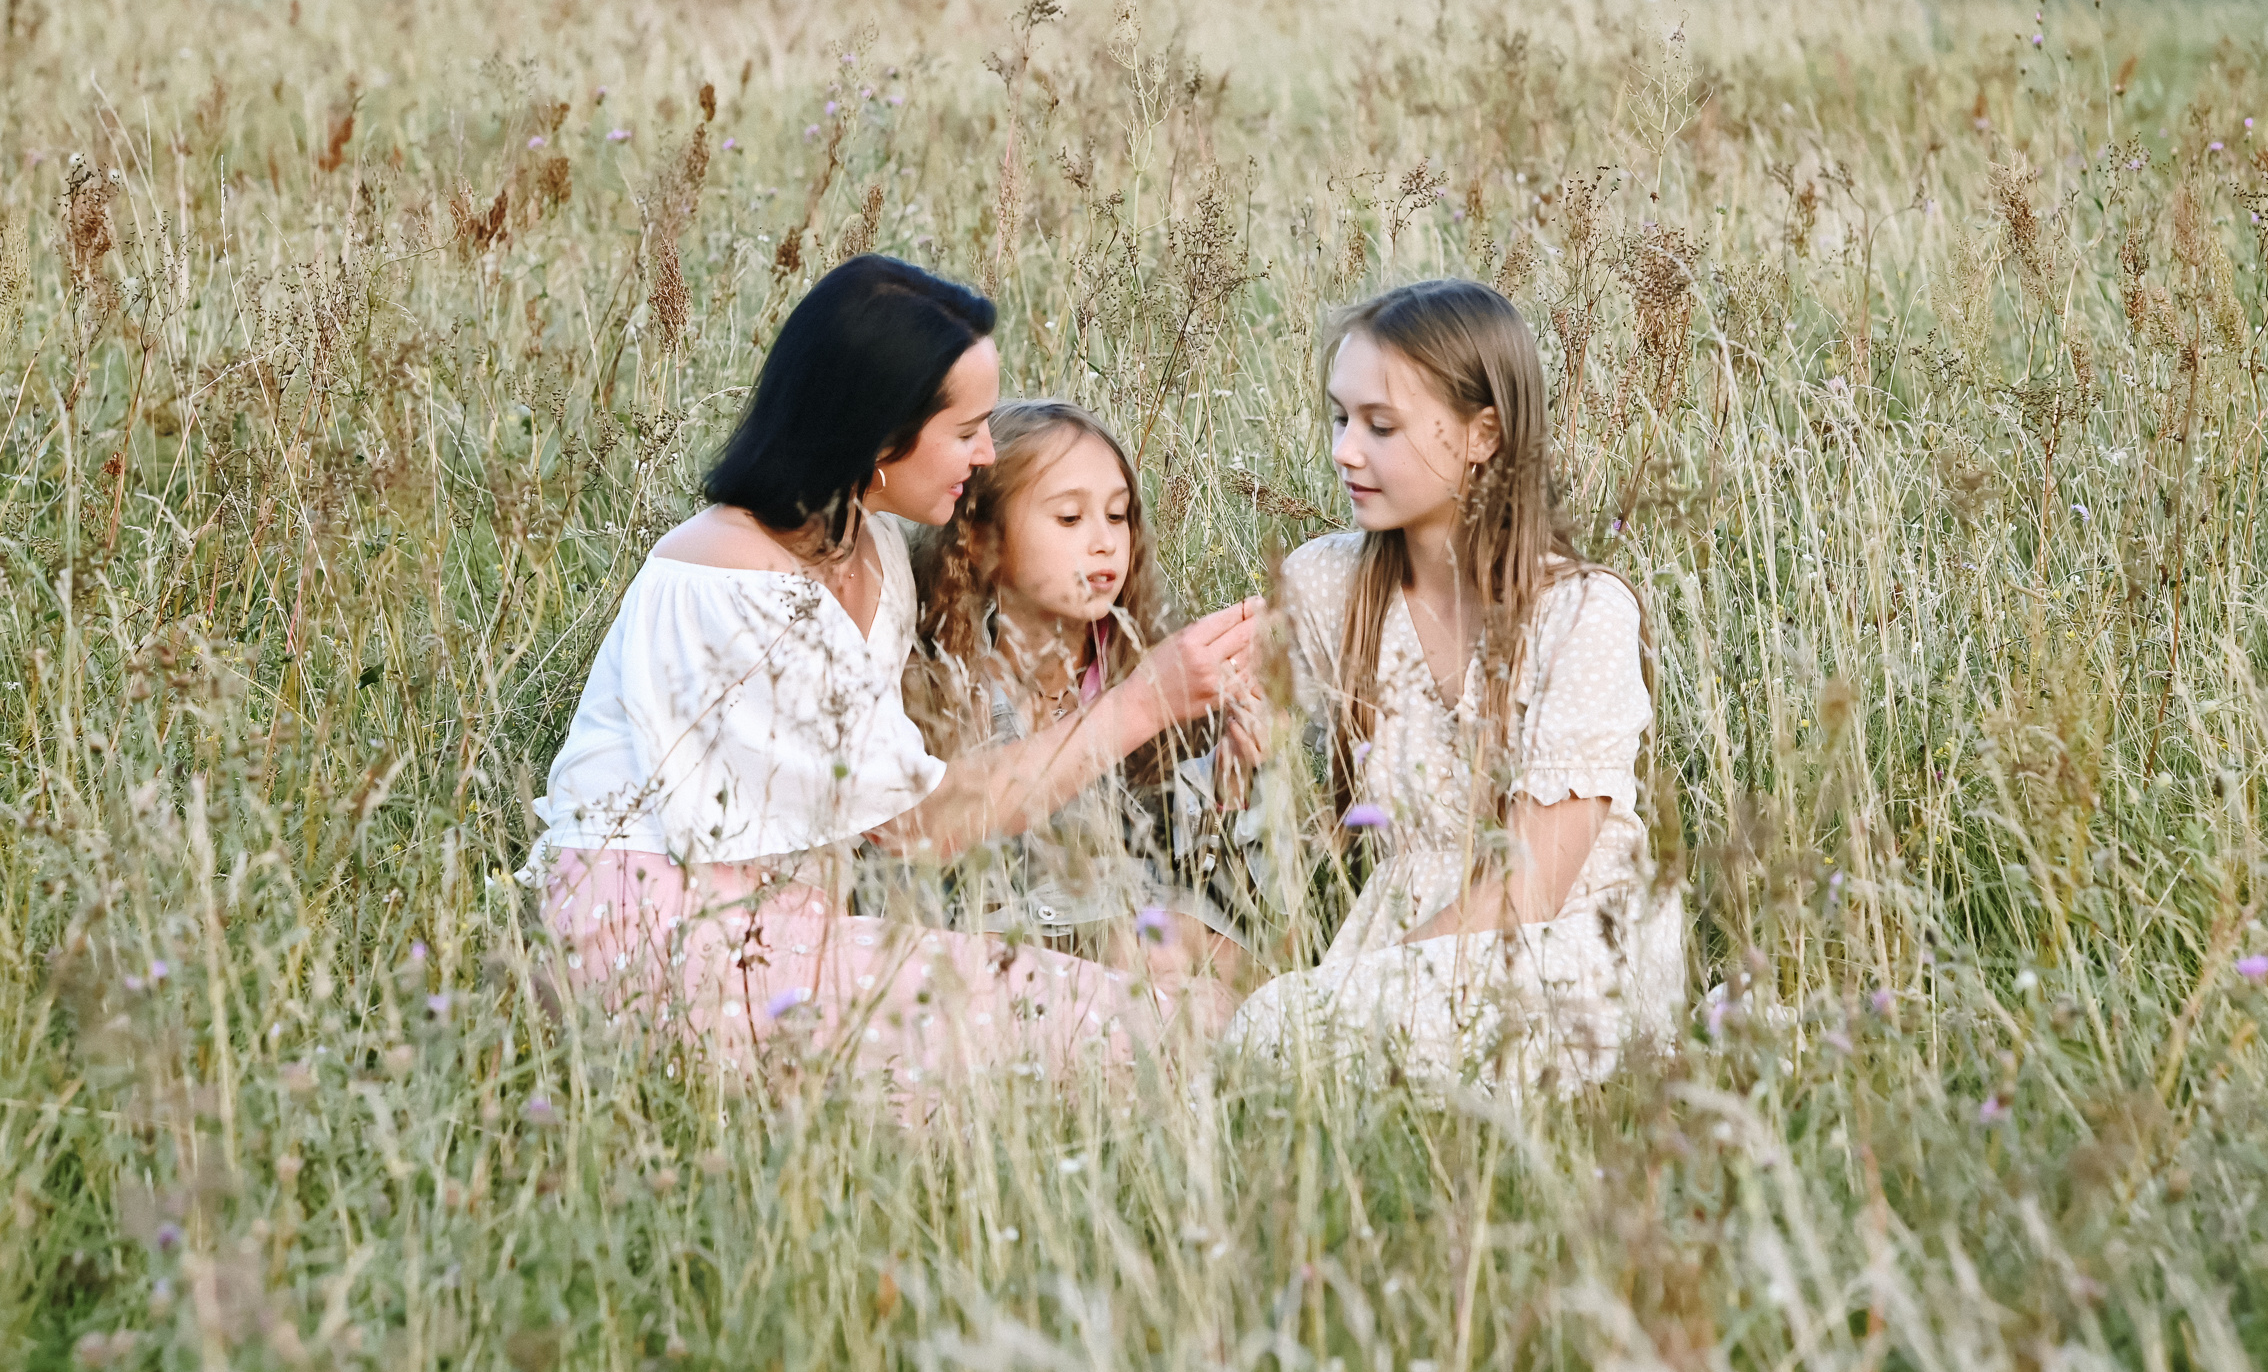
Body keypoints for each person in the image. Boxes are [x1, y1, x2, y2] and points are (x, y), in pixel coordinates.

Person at [531, 256, 1259, 1105]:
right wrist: (1145, 700)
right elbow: (919, 821)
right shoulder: (726, 579)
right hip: (665, 941)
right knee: (1151, 1036)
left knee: (1187, 1012)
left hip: (801, 929)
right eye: (967, 430)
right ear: (878, 434)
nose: (985, 452)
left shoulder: (871, 547)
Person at [1222, 279, 1684, 1091]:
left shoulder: (1580, 613)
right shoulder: (1326, 582)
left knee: (1278, 1031)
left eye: (1381, 426)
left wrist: (1354, 993)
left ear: (1481, 435)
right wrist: (1237, 725)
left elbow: (1532, 886)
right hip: (1399, 950)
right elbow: (1222, 718)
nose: (1344, 451)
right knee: (1253, 1031)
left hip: (1562, 946)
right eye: (1340, 418)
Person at [902, 399, 1265, 990]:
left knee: (1215, 963)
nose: (1103, 543)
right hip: (996, 929)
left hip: (1128, 918)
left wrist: (1231, 781)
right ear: (982, 541)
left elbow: (1189, 860)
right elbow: (946, 854)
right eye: (1070, 519)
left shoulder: (1143, 655)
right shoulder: (948, 676)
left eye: (1118, 517)